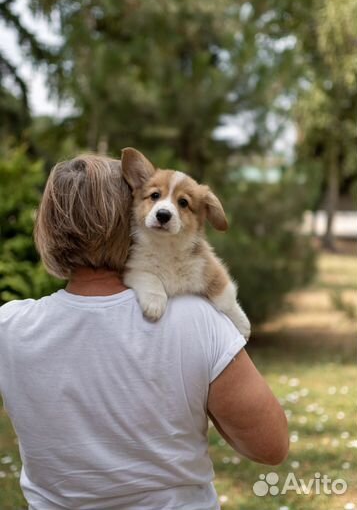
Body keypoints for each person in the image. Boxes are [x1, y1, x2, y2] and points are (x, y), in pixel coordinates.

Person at [0, 155, 288, 510]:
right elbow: (270, 446)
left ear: (47, 228)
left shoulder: (9, 328)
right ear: (130, 218)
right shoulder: (197, 319)